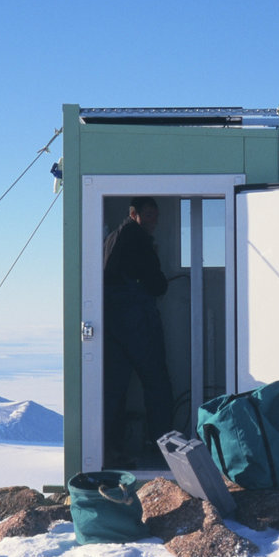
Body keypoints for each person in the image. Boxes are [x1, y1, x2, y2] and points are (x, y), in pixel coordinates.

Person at [102, 196, 174, 467]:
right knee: (157, 382)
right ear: (134, 215)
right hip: (137, 321)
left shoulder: (111, 239)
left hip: (112, 322)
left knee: (115, 387)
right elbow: (156, 284)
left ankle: (111, 450)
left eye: (156, 216)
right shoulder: (138, 239)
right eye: (149, 215)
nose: (154, 221)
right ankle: (165, 447)